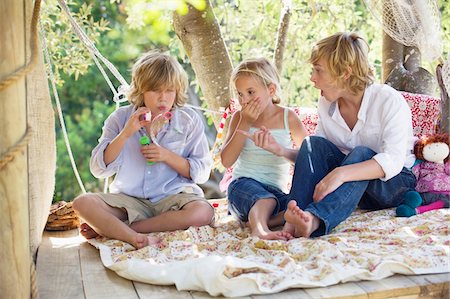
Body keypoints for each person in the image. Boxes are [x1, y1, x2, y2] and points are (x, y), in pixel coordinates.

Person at [281, 32, 417, 238]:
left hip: (394, 185)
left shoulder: (388, 100)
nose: (312, 78)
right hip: (350, 192)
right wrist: (279, 150)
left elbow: (393, 161)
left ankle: (316, 219)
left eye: (319, 71)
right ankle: (294, 220)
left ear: (345, 73)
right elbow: (317, 156)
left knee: (362, 153)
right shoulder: (327, 104)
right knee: (312, 144)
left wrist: (340, 174)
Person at [73, 51, 214, 249]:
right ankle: (128, 232)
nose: (163, 98)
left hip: (172, 200)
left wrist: (166, 156)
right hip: (129, 201)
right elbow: (98, 169)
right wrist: (126, 133)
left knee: (203, 212)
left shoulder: (189, 121)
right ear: (141, 91)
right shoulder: (120, 118)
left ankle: (124, 229)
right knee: (82, 204)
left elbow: (202, 173)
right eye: (155, 90)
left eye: (170, 91)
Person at [220, 57, 307, 240]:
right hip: (242, 187)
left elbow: (309, 159)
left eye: (251, 92)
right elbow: (226, 161)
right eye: (240, 94)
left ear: (271, 89)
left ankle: (263, 219)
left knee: (298, 203)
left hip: (276, 192)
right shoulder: (239, 118)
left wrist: (280, 150)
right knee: (264, 199)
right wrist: (245, 122)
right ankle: (259, 229)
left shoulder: (288, 117)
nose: (245, 100)